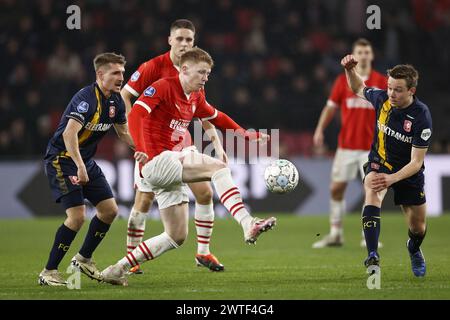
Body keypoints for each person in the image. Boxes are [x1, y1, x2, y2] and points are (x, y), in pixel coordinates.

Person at [101, 48, 276, 286]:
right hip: (158, 161)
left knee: (176, 236)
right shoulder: (163, 86)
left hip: (169, 165)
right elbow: (136, 116)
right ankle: (248, 223)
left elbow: (217, 116)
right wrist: (141, 148)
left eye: (208, 73)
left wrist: (245, 134)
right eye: (201, 72)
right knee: (218, 168)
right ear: (184, 70)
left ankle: (117, 269)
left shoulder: (195, 95)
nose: (205, 77)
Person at [121, 19, 227, 273]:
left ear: (194, 42)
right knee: (143, 200)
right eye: (179, 39)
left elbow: (203, 111)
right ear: (169, 40)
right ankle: (131, 258)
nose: (183, 43)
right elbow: (126, 95)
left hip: (181, 145)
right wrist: (132, 136)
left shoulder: (195, 70)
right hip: (153, 145)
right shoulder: (153, 67)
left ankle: (203, 253)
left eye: (188, 39)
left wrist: (216, 142)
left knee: (204, 192)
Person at [38, 53, 135, 286]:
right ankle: (49, 271)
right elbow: (68, 133)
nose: (121, 77)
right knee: (77, 216)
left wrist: (146, 148)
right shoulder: (86, 98)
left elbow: (123, 133)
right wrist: (80, 166)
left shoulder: (116, 101)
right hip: (62, 159)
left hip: (85, 160)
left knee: (110, 211)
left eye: (122, 72)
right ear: (100, 74)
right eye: (116, 73)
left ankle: (83, 259)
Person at [342, 54, 432, 277]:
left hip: (407, 173)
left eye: (398, 90)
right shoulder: (382, 99)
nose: (391, 93)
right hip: (380, 162)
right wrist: (350, 70)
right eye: (390, 87)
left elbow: (416, 162)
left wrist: (393, 178)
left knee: (417, 227)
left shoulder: (421, 116)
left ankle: (414, 248)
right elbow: (358, 88)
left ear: (411, 91)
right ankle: (372, 255)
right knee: (372, 188)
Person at [312, 39, 387, 248]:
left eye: (366, 52)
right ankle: (336, 234)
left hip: (372, 149)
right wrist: (319, 129)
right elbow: (330, 107)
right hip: (346, 146)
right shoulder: (342, 80)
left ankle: (368, 236)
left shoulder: (381, 81)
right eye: (359, 52)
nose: (363, 55)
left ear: (371, 56)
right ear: (354, 55)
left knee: (371, 191)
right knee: (336, 189)